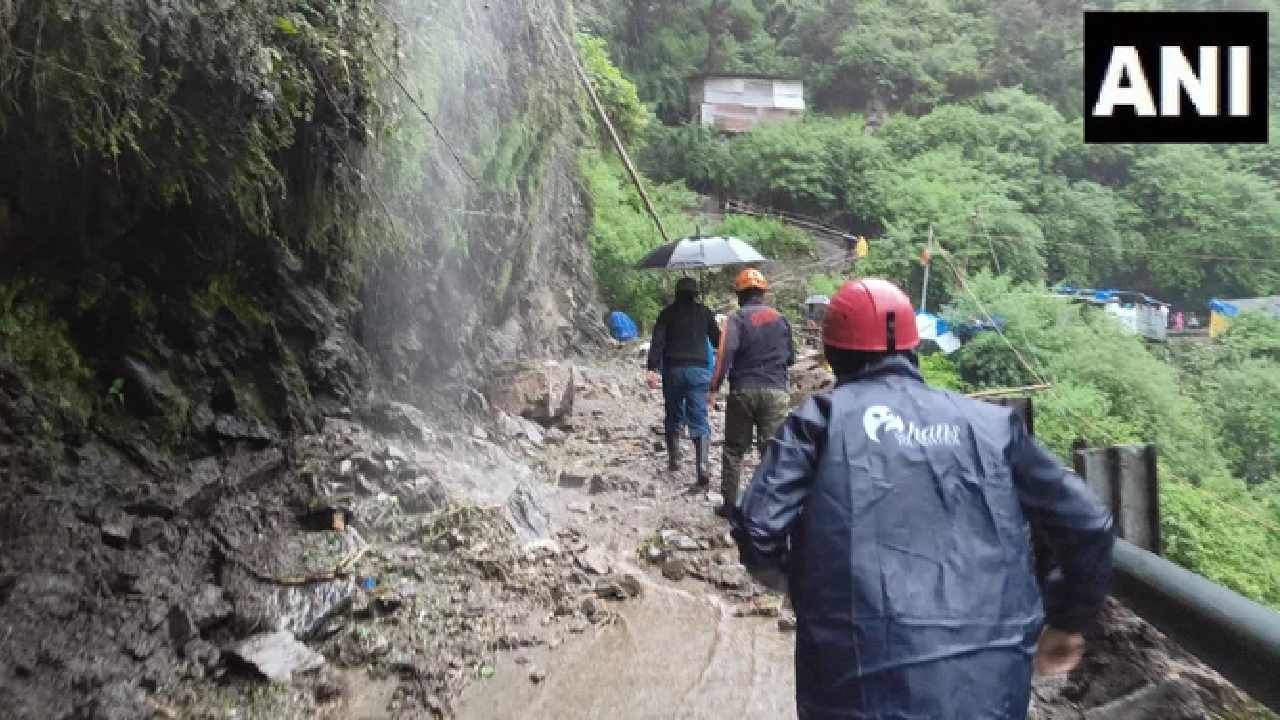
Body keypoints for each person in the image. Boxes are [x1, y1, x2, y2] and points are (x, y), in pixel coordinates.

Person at [732, 278, 1115, 720]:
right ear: (915, 348)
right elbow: (1088, 526)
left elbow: (759, 529)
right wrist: (1066, 620)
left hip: (852, 684)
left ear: (833, 355)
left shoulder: (820, 420)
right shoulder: (993, 427)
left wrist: (804, 587)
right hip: (989, 687)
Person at [709, 267, 795, 515]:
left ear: (740, 295)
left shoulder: (735, 319)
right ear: (763, 294)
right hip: (777, 391)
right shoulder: (781, 319)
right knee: (772, 450)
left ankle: (730, 505)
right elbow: (790, 358)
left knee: (734, 450)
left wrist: (714, 388)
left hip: (743, 391)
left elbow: (725, 355)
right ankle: (772, 506)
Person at [646, 277, 721, 484]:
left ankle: (674, 459)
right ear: (696, 293)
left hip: (673, 370)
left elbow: (658, 342)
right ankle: (703, 467)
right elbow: (717, 340)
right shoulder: (704, 312)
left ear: (677, 293)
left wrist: (652, 368)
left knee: (673, 413)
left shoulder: (666, 314)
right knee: (698, 416)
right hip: (698, 371)